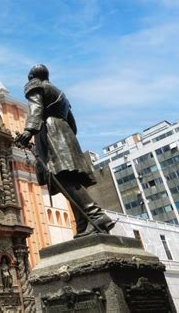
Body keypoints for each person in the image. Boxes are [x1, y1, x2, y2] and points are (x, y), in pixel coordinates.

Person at [15, 64, 115, 238]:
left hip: (51, 132)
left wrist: (28, 131)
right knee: (68, 179)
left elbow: (35, 108)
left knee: (61, 176)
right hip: (65, 134)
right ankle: (84, 224)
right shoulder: (62, 95)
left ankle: (96, 216)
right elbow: (73, 124)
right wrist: (65, 136)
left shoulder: (35, 85)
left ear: (32, 77)